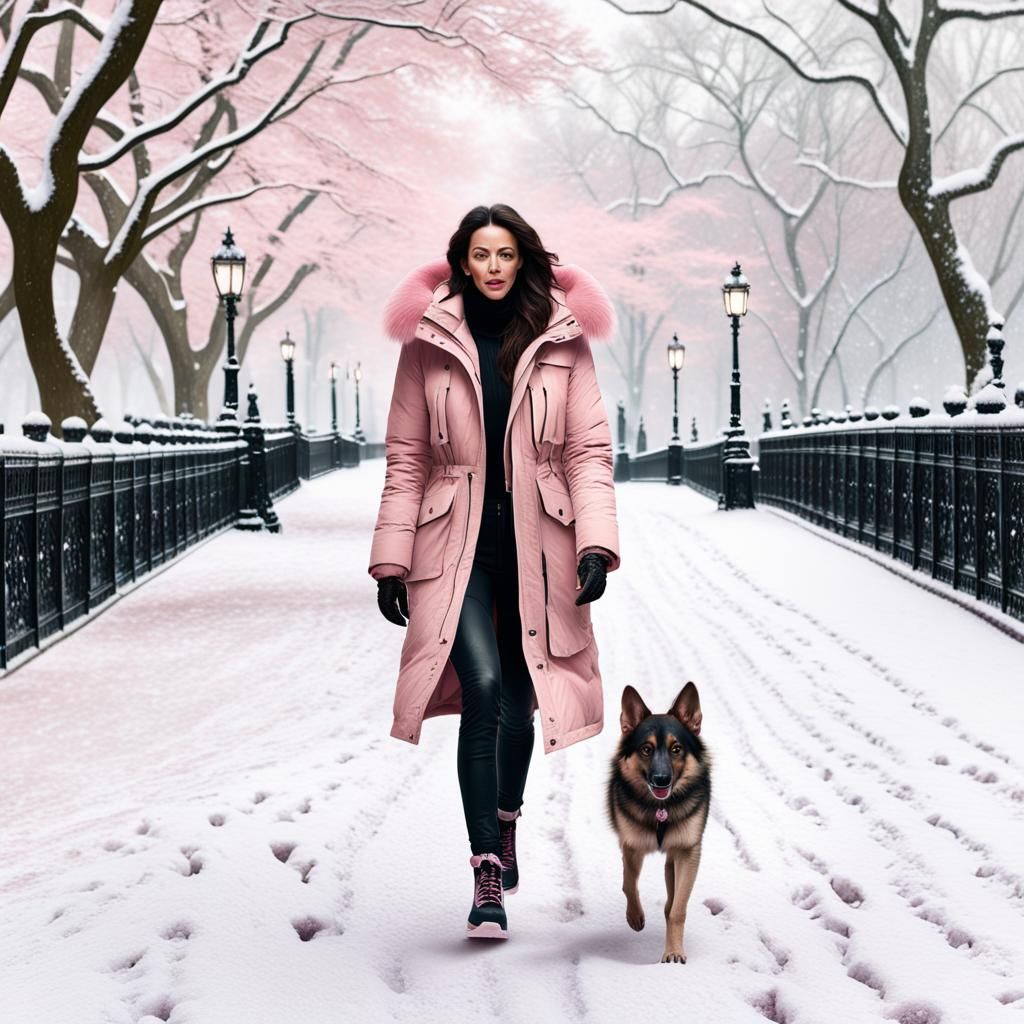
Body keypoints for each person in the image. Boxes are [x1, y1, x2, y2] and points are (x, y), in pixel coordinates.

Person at [368, 203, 620, 939]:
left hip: (540, 541)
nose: (493, 267)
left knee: (520, 692)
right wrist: (391, 558)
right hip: (455, 545)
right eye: (480, 254)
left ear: (524, 259)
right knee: (479, 688)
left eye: (505, 253)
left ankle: (506, 818)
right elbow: (408, 456)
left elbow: (587, 453)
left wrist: (595, 545)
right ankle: (485, 870)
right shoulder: (428, 342)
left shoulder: (564, 338)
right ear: (460, 261)